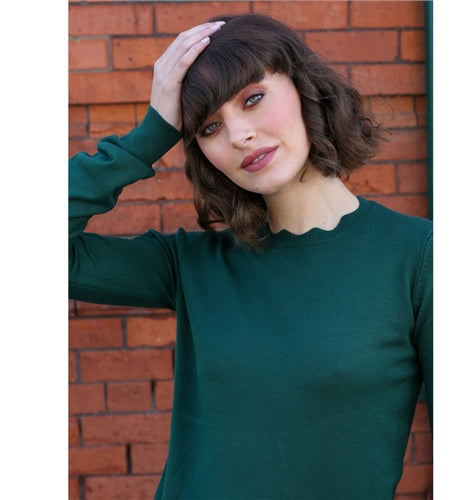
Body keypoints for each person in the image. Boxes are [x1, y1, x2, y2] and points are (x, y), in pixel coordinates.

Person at [69, 14, 432, 500]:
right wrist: (151, 134)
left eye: (253, 99)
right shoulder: (191, 266)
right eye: (210, 127)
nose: (238, 135)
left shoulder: (418, 257)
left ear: (303, 88)